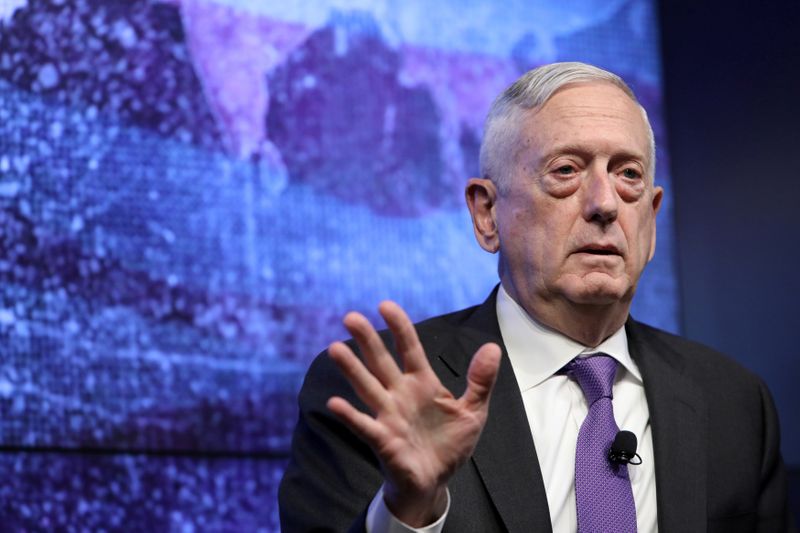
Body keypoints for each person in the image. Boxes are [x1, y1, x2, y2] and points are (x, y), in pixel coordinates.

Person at [278, 62, 793, 532]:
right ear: (486, 214)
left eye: (628, 174)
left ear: (652, 218)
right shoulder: (373, 392)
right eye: (566, 170)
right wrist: (409, 509)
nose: (604, 204)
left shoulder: (734, 402)